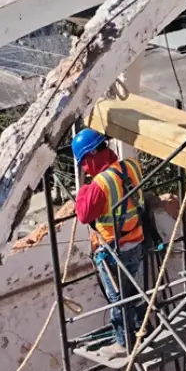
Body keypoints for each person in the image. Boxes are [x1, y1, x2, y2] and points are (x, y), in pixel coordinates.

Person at [72, 128, 148, 353]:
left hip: (115, 250)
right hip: (137, 240)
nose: (84, 168)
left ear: (92, 154)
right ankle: (142, 330)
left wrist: (84, 189)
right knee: (133, 292)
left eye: (84, 162)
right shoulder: (131, 166)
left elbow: (84, 215)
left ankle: (124, 342)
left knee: (118, 298)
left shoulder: (99, 185)